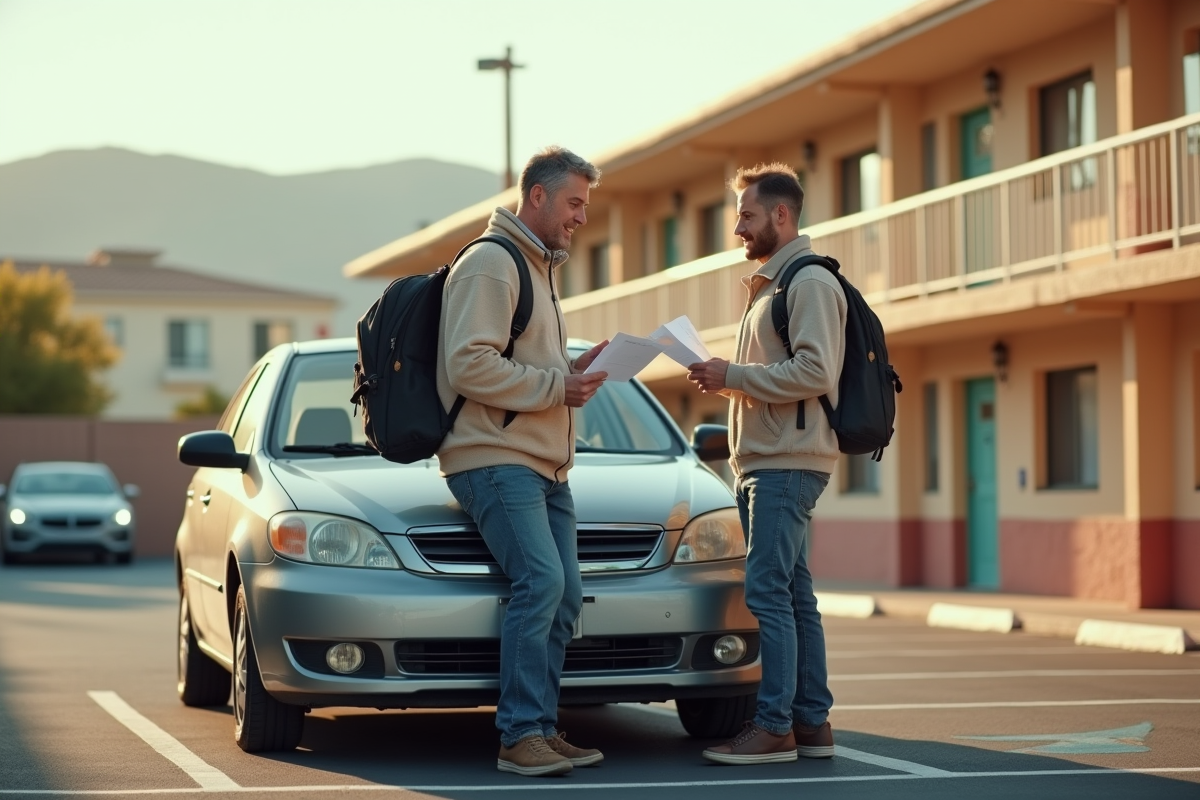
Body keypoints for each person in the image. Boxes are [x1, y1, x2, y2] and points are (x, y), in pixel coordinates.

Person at [436, 146, 609, 777]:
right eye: (574, 203)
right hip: (494, 457)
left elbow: (519, 362)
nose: (580, 218)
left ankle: (538, 725)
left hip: (542, 463)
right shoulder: (492, 264)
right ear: (536, 195)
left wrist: (572, 373)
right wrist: (554, 387)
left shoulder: (537, 267)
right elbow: (469, 363)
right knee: (541, 583)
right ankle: (517, 736)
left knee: (564, 596)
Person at [686, 162, 846, 765]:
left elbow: (815, 371)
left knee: (768, 594)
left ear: (782, 215)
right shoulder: (772, 286)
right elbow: (777, 377)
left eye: (747, 216)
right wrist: (727, 380)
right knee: (794, 595)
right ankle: (810, 723)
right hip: (767, 460)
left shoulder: (807, 283)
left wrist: (735, 375)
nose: (738, 229)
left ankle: (773, 725)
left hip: (785, 464)